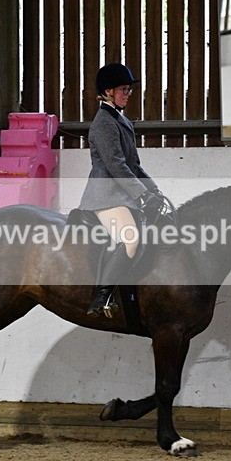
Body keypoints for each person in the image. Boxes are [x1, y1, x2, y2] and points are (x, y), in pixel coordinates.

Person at [78, 62, 164, 318]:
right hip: (105, 196)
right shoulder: (104, 123)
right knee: (131, 239)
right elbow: (116, 166)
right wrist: (141, 194)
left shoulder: (122, 120)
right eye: (123, 89)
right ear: (107, 92)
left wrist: (153, 191)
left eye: (129, 89)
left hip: (123, 195)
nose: (127, 93)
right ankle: (100, 298)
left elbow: (134, 166)